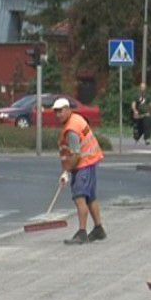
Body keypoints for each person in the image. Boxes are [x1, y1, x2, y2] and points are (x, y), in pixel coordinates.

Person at [54, 98, 106, 245]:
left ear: (68, 110)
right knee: (90, 197)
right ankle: (98, 229)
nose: (58, 115)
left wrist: (67, 171)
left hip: (83, 164)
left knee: (79, 197)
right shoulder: (77, 118)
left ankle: (82, 232)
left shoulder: (71, 130)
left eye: (61, 111)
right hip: (90, 161)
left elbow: (76, 154)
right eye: (56, 112)